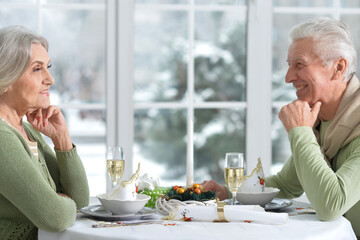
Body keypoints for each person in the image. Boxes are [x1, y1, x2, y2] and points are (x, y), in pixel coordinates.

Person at [203, 17, 360, 238]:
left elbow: (330, 206)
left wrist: (301, 132)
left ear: (338, 68)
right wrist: (229, 192)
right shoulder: (319, 119)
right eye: (289, 66)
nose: (288, 78)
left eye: (300, 64)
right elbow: (286, 184)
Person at [0, 26, 89, 239]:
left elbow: (81, 200)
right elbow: (56, 216)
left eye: (48, 67)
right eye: (37, 69)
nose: (50, 79)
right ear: (5, 79)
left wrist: (61, 138)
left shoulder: (27, 130)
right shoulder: (2, 138)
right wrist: (57, 202)